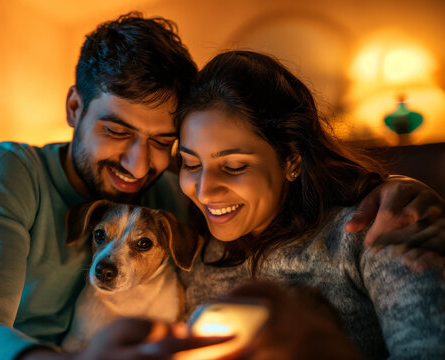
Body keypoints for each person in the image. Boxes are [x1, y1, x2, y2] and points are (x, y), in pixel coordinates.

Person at [0, 13, 442, 360]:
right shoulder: (11, 171)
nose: (141, 163)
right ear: (75, 107)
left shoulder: (173, 196)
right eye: (116, 129)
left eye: (164, 141)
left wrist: (395, 189)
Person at [175, 50, 444, 359]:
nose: (205, 192)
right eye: (190, 164)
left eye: (234, 166)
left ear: (291, 160)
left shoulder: (369, 234)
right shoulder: (192, 259)